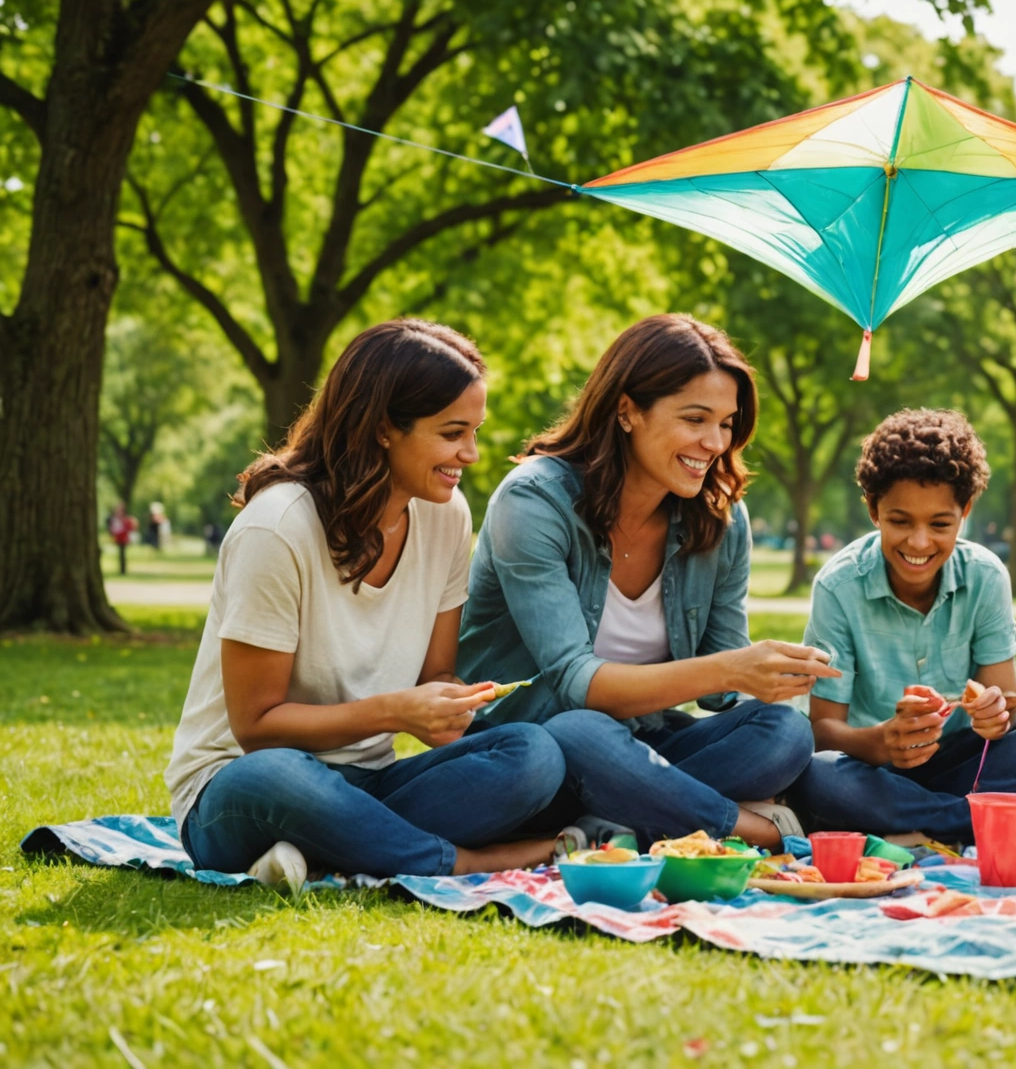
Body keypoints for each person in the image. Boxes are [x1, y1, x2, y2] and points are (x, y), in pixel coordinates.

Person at [165, 320, 565, 894]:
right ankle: (461, 862)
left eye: (476, 431)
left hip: (369, 784)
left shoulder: (446, 517)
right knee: (278, 779)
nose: (471, 454)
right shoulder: (277, 529)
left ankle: (327, 850)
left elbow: (436, 674)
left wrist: (448, 705)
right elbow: (256, 728)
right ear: (383, 428)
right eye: (454, 432)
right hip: (240, 787)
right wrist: (396, 713)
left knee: (533, 754)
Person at [458, 315, 829, 853]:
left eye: (726, 423)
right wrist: (729, 668)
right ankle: (746, 828)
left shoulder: (721, 519)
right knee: (579, 730)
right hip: (534, 746)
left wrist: (771, 673)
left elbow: (722, 691)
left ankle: (616, 825)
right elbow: (574, 684)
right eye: (695, 419)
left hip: (643, 747)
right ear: (627, 410)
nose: (714, 442)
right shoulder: (534, 503)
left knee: (785, 733)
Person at [790, 410, 1016, 846]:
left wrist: (995, 714)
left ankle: (933, 817)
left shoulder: (985, 576)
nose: (920, 542)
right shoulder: (839, 586)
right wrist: (885, 741)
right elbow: (823, 730)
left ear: (965, 511)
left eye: (940, 524)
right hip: (875, 767)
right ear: (874, 510)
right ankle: (1002, 815)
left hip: (966, 763)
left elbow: (1008, 702)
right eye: (900, 521)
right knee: (818, 775)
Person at [107, 502, 136, 575]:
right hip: (118, 537)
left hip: (123, 537)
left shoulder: (125, 519)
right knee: (121, 554)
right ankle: (122, 569)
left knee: (122, 553)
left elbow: (129, 527)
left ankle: (123, 570)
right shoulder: (115, 519)